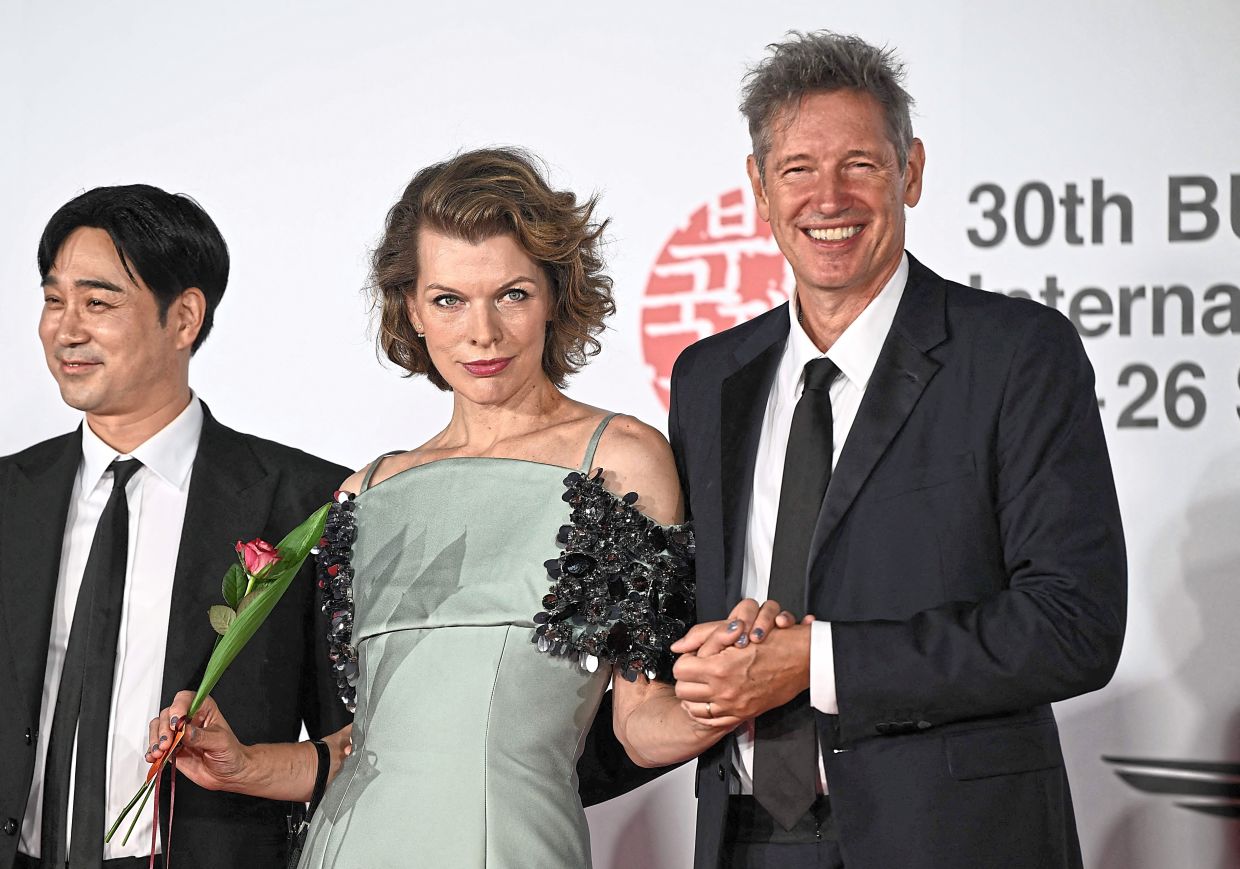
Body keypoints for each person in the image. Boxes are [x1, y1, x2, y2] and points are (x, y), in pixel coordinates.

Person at [145, 148, 766, 868]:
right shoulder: (365, 492)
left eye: (512, 294)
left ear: (556, 294)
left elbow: (639, 724)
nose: (483, 333)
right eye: (448, 300)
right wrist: (243, 763)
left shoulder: (618, 458)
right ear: (411, 307)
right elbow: (367, 745)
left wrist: (740, 683)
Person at [667, 31, 1127, 869]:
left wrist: (817, 661)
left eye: (861, 165)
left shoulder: (1015, 353)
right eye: (798, 168)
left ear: (910, 170)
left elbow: (1073, 623)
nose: (828, 197)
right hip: (745, 836)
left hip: (952, 838)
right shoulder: (709, 378)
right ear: (760, 190)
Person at [0, 185, 353, 869]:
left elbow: (359, 742)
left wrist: (250, 764)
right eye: (53, 300)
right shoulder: (10, 497)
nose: (65, 329)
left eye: (97, 303)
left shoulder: (303, 503)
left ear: (185, 316)